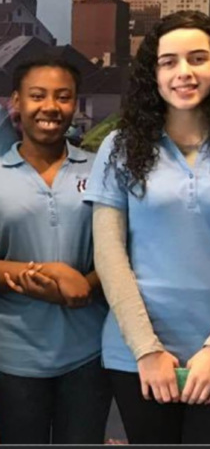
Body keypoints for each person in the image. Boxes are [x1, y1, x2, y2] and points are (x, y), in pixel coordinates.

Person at [83, 10, 210, 444]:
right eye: (168, 61)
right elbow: (109, 254)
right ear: (152, 73)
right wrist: (147, 350)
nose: (183, 73)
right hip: (138, 356)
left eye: (197, 59)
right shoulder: (121, 146)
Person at [0, 58, 111, 444]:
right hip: (13, 360)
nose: (50, 107)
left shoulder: (101, 171)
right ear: (16, 101)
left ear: (75, 104)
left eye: (63, 97)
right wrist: (43, 276)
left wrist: (84, 285)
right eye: (37, 96)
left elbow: (122, 254)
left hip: (88, 357)